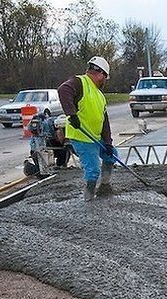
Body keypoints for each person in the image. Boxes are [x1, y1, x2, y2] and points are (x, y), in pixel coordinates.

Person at [57, 56, 118, 201]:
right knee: (93, 170)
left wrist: (108, 143)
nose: (105, 81)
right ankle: (89, 198)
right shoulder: (79, 82)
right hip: (82, 137)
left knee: (111, 154)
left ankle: (105, 186)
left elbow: (104, 121)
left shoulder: (100, 95)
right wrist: (72, 115)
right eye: (105, 77)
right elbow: (63, 90)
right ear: (101, 74)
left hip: (96, 137)